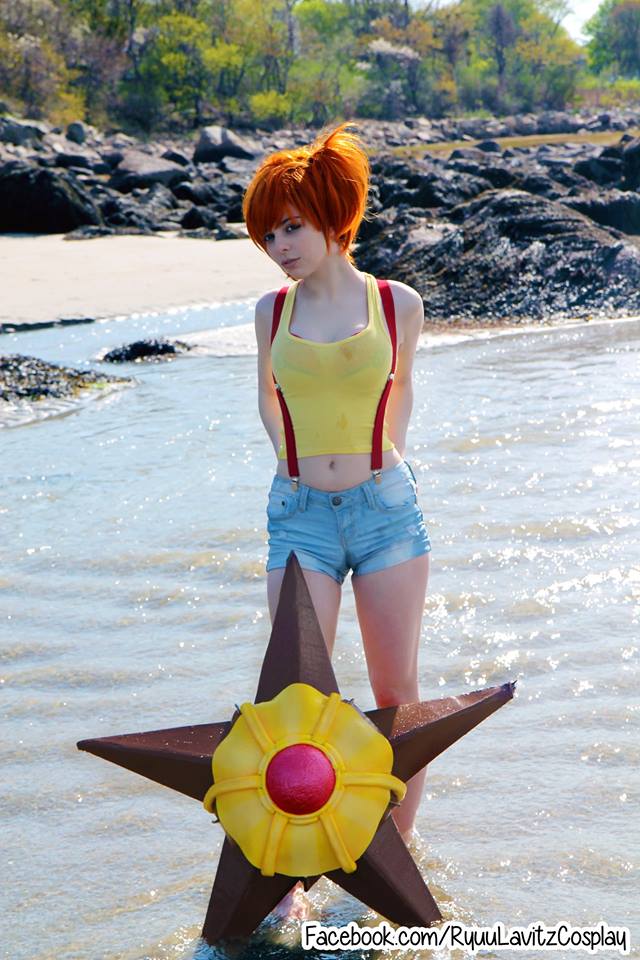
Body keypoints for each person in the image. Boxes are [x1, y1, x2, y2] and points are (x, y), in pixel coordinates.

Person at [243, 121, 432, 917]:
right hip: (299, 519)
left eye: (292, 227)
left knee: (396, 695)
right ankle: (290, 879)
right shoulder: (269, 312)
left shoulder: (397, 304)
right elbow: (266, 396)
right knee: (295, 700)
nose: (280, 246)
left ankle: (388, 859)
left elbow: (404, 389)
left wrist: (385, 462)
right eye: (268, 234)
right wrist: (292, 464)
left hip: (386, 512)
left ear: (333, 216)